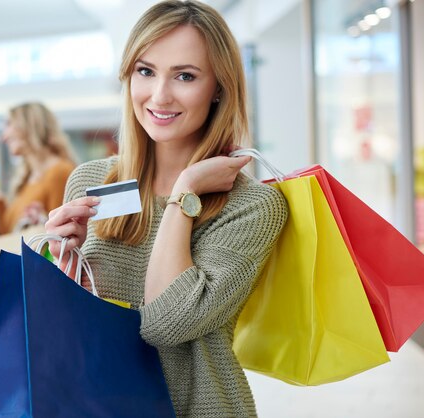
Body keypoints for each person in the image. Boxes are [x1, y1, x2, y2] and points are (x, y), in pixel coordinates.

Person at [44, 1, 288, 417]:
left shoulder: (253, 207)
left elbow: (166, 323)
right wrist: (63, 260)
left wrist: (185, 193)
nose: (159, 95)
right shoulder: (90, 181)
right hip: (95, 404)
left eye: (185, 76)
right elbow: (69, 323)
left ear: (219, 89)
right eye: (145, 71)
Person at [0, 102, 76, 240]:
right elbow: (6, 234)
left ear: (30, 125)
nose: (4, 137)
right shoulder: (28, 178)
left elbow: (64, 237)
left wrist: (43, 221)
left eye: (9, 124)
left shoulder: (60, 172)